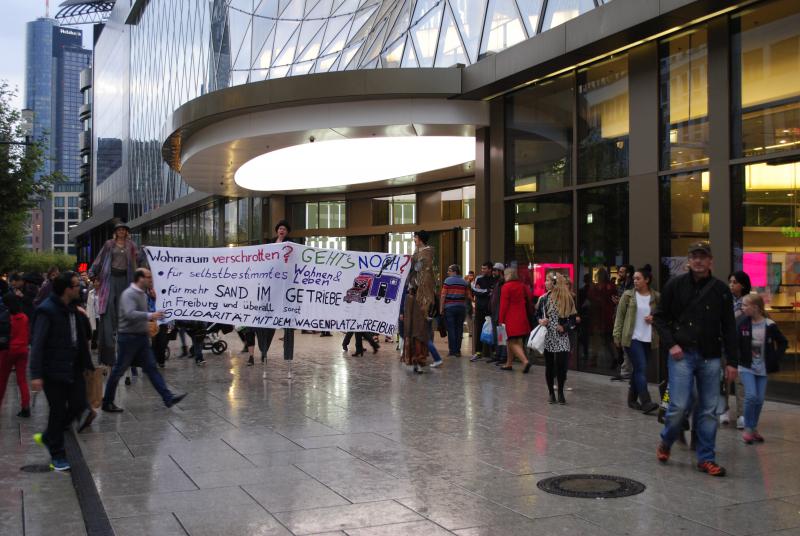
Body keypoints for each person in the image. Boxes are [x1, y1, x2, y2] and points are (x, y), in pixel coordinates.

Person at [653, 241, 739, 477]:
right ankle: (666, 441)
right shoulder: (675, 286)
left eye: (703, 257)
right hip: (682, 354)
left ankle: (706, 457)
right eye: (695, 257)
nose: (699, 261)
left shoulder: (721, 290)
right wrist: (671, 345)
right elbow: (659, 318)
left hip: (710, 356)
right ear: (689, 261)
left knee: (709, 410)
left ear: (710, 261)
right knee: (679, 405)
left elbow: (729, 327)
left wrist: (732, 361)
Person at [29, 272, 95, 471]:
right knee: (58, 412)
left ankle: (50, 435)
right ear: (66, 289)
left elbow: (84, 337)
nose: (79, 289)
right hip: (53, 370)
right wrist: (36, 375)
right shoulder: (46, 311)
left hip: (73, 367)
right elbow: (38, 344)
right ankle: (57, 454)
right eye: (76, 286)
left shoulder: (74, 308)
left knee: (78, 405)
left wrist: (88, 365)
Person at [101, 268, 187, 413]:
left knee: (151, 368)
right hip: (128, 338)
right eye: (148, 277)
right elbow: (129, 314)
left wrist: (153, 301)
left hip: (140, 337)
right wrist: (150, 315)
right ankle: (107, 402)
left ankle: (168, 397)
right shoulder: (129, 294)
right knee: (118, 371)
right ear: (140, 278)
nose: (151, 280)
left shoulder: (142, 294)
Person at [736, 293, 787, 444]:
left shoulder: (769, 325)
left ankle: (753, 427)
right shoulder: (741, 322)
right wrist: (735, 358)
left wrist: (775, 358)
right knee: (751, 396)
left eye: (745, 305)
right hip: (746, 367)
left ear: (756, 308)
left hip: (763, 368)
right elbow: (733, 341)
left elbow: (783, 342)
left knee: (759, 400)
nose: (742, 308)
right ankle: (748, 429)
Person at [89, 221, 140, 366]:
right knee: (108, 310)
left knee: (125, 311)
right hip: (110, 279)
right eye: (119, 230)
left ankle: (129, 352)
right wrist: (93, 275)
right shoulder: (109, 244)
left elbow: (139, 259)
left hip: (126, 279)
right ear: (116, 232)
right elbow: (99, 260)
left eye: (124, 230)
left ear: (126, 232)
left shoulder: (132, 245)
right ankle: (108, 354)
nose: (122, 232)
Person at [612, 265, 660, 414]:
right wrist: (616, 335)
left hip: (649, 338)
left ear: (647, 280)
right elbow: (619, 317)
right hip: (632, 338)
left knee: (638, 369)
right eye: (634, 278)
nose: (635, 281)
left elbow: (664, 316)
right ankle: (646, 402)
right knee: (641, 367)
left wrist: (654, 318)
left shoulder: (656, 297)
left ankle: (631, 399)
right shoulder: (628, 295)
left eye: (638, 278)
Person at [249, 220, 296, 368]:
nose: (281, 230)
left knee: (273, 322)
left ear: (287, 232)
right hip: (267, 286)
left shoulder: (291, 245)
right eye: (280, 228)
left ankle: (267, 350)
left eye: (284, 228)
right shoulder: (269, 244)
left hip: (281, 288)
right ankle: (263, 349)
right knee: (261, 319)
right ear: (277, 231)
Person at [721, 270, 752, 429]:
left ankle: (742, 414)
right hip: (725, 346)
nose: (731, 285)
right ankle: (724, 410)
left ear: (743, 285)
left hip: (742, 347)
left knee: (741, 382)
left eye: (735, 282)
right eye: (730, 282)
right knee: (724, 379)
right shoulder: (725, 300)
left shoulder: (749, 301)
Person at [402, 230, 435, 374]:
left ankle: (419, 358)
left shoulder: (425, 253)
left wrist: (424, 298)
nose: (414, 240)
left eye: (415, 237)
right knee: (412, 327)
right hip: (413, 294)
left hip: (420, 297)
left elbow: (424, 275)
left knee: (419, 328)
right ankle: (414, 357)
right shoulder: (418, 252)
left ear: (420, 239)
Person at [539, 274, 576, 403]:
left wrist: (565, 327)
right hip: (548, 335)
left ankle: (560, 392)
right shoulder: (544, 299)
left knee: (562, 365)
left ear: (554, 283)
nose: (545, 283)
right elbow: (536, 315)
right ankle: (551, 393)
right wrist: (540, 320)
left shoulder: (567, 298)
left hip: (562, 337)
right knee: (549, 366)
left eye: (548, 280)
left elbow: (573, 319)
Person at [0, 293, 31, 417]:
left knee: (2, 380)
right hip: (23, 351)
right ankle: (25, 406)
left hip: (8, 351)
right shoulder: (24, 317)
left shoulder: (6, 318)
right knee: (22, 380)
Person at [498, 267, 532, 373]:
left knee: (511, 341)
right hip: (522, 317)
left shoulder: (506, 287)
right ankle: (509, 363)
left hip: (510, 318)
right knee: (513, 341)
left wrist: (501, 320)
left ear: (507, 275)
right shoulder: (522, 286)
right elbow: (529, 298)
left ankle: (525, 361)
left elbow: (503, 305)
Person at [440, 264, 471, 357]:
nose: (447, 272)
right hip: (461, 307)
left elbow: (443, 295)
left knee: (451, 329)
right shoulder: (464, 282)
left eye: (449, 270)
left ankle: (452, 350)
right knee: (459, 329)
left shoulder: (447, 281)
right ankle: (458, 350)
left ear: (454, 271)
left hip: (449, 307)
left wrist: (441, 308)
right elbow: (467, 295)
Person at [470, 261, 496, 362]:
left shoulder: (494, 280)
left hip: (490, 310)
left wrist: (483, 291)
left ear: (490, 269)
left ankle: (494, 352)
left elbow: (494, 293)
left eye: (484, 268)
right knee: (479, 329)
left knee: (492, 330)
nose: (482, 270)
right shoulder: (478, 279)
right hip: (480, 309)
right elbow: (475, 291)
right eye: (482, 268)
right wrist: (488, 291)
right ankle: (478, 352)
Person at [488, 262, 507, 365]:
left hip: (499, 313)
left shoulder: (502, 283)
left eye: (495, 270)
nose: (493, 272)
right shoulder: (498, 283)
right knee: (497, 335)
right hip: (495, 312)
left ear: (500, 271)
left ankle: (502, 356)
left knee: (501, 335)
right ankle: (498, 354)